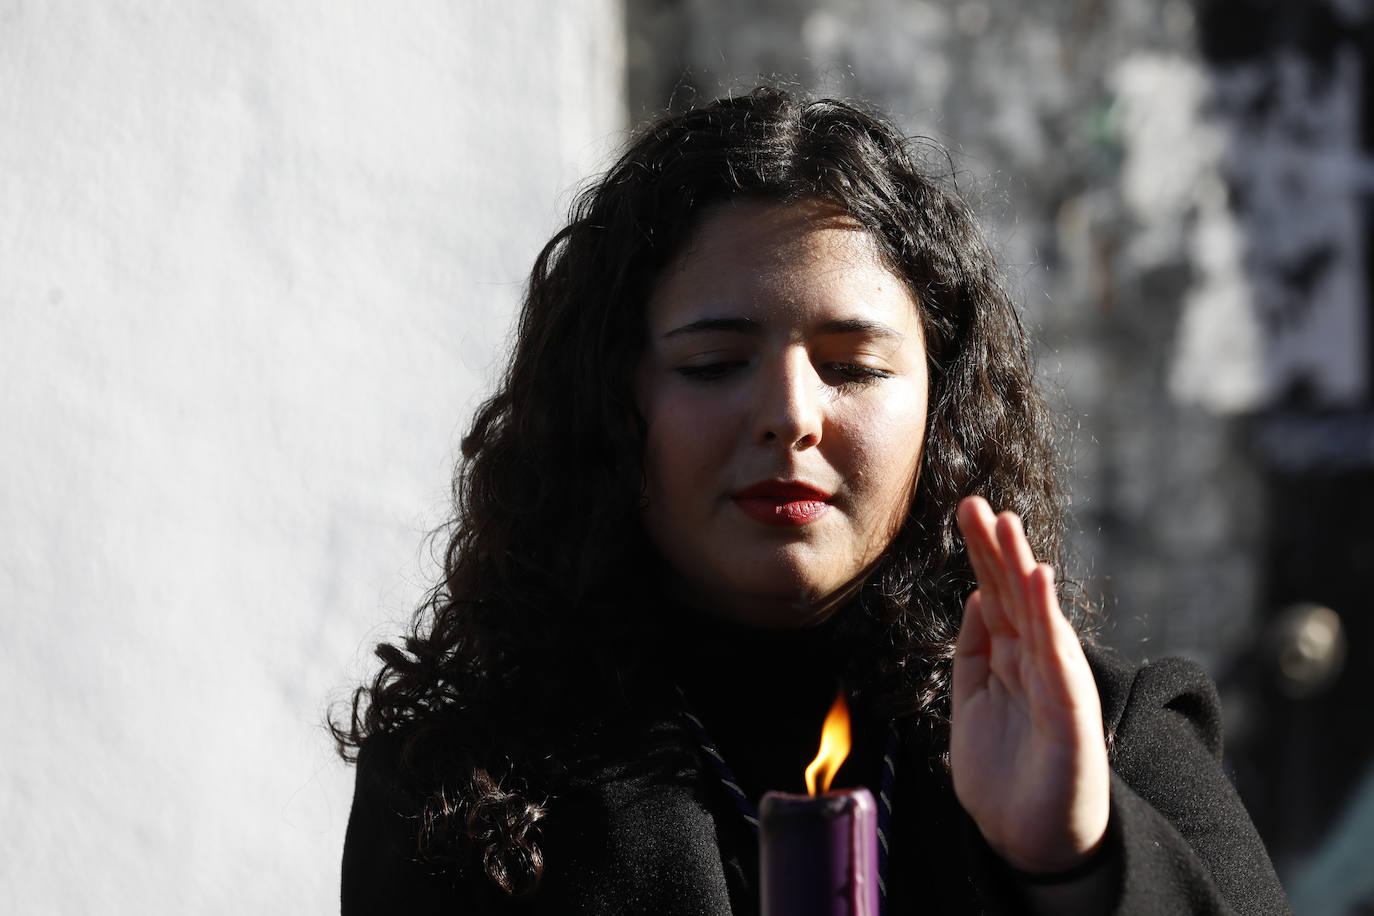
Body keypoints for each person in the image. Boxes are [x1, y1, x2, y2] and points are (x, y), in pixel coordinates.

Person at [335, 87, 1290, 914]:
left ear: (940, 406)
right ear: (612, 401)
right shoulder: (475, 781)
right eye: (713, 365)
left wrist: (1076, 864)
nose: (791, 417)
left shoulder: (1096, 735)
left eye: (852, 366)